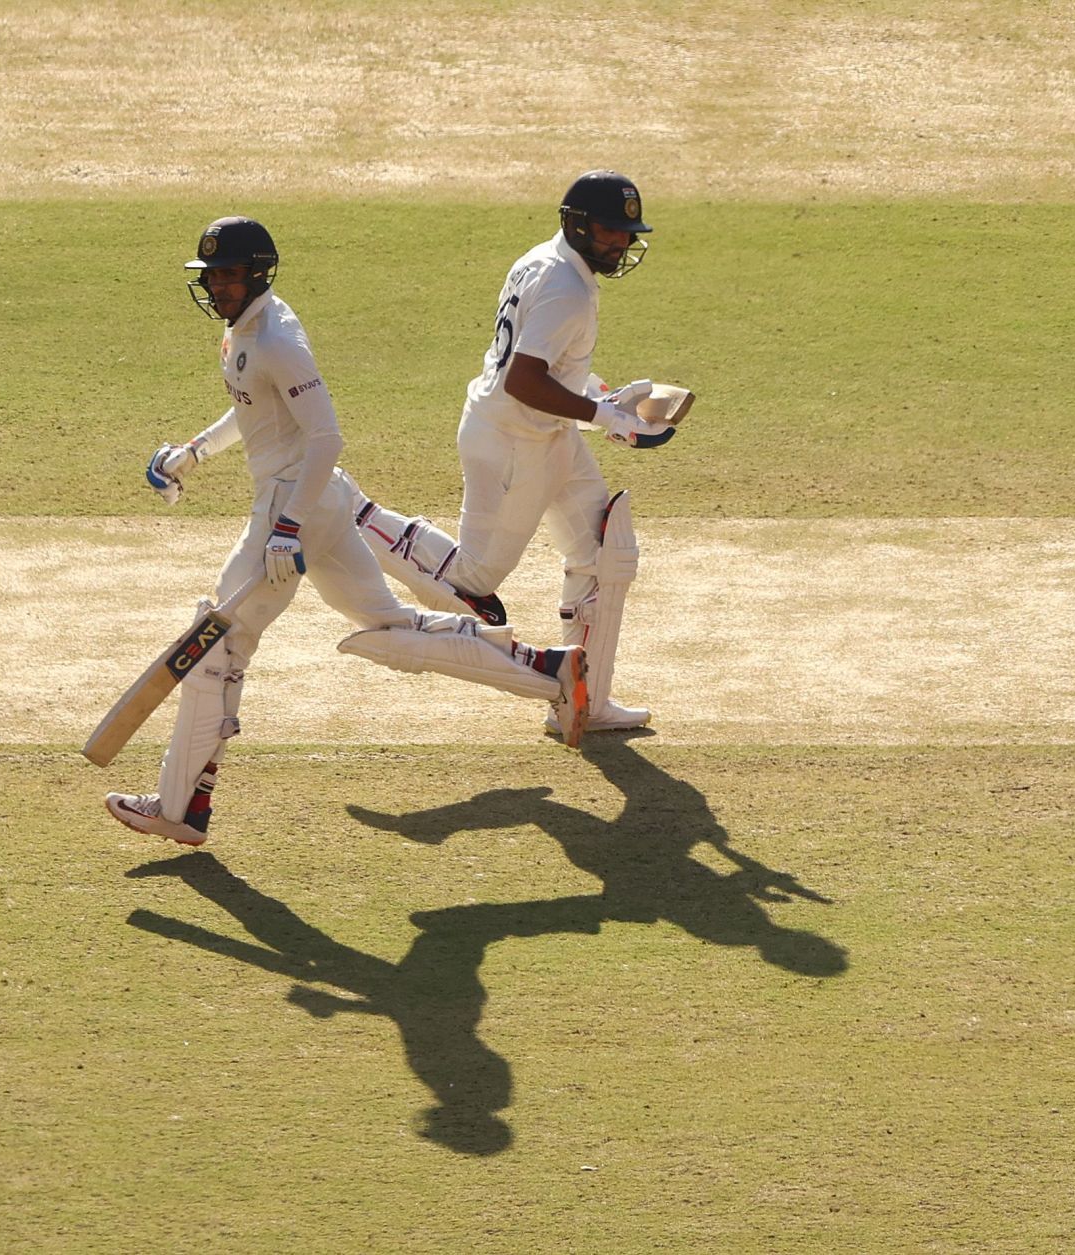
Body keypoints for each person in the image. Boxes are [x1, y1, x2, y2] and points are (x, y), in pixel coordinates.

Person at [104, 216, 590, 847]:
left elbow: (327, 435)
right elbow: (255, 405)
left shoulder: (278, 339)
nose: (216, 287)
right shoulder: (248, 331)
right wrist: (194, 452)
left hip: (294, 505)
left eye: (226, 275)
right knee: (388, 628)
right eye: (210, 276)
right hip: (319, 506)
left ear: (256, 274)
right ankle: (549, 672)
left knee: (218, 641)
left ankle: (181, 807)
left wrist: (285, 528)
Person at [351, 170, 679, 736]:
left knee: (602, 554)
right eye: (609, 232)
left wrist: (602, 398)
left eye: (627, 234)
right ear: (575, 226)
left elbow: (548, 365)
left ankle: (583, 699)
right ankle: (352, 514)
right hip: (511, 442)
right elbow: (523, 382)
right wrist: (607, 418)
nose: (620, 244)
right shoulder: (567, 289)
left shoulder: (544, 260)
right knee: (474, 580)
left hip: (545, 436)